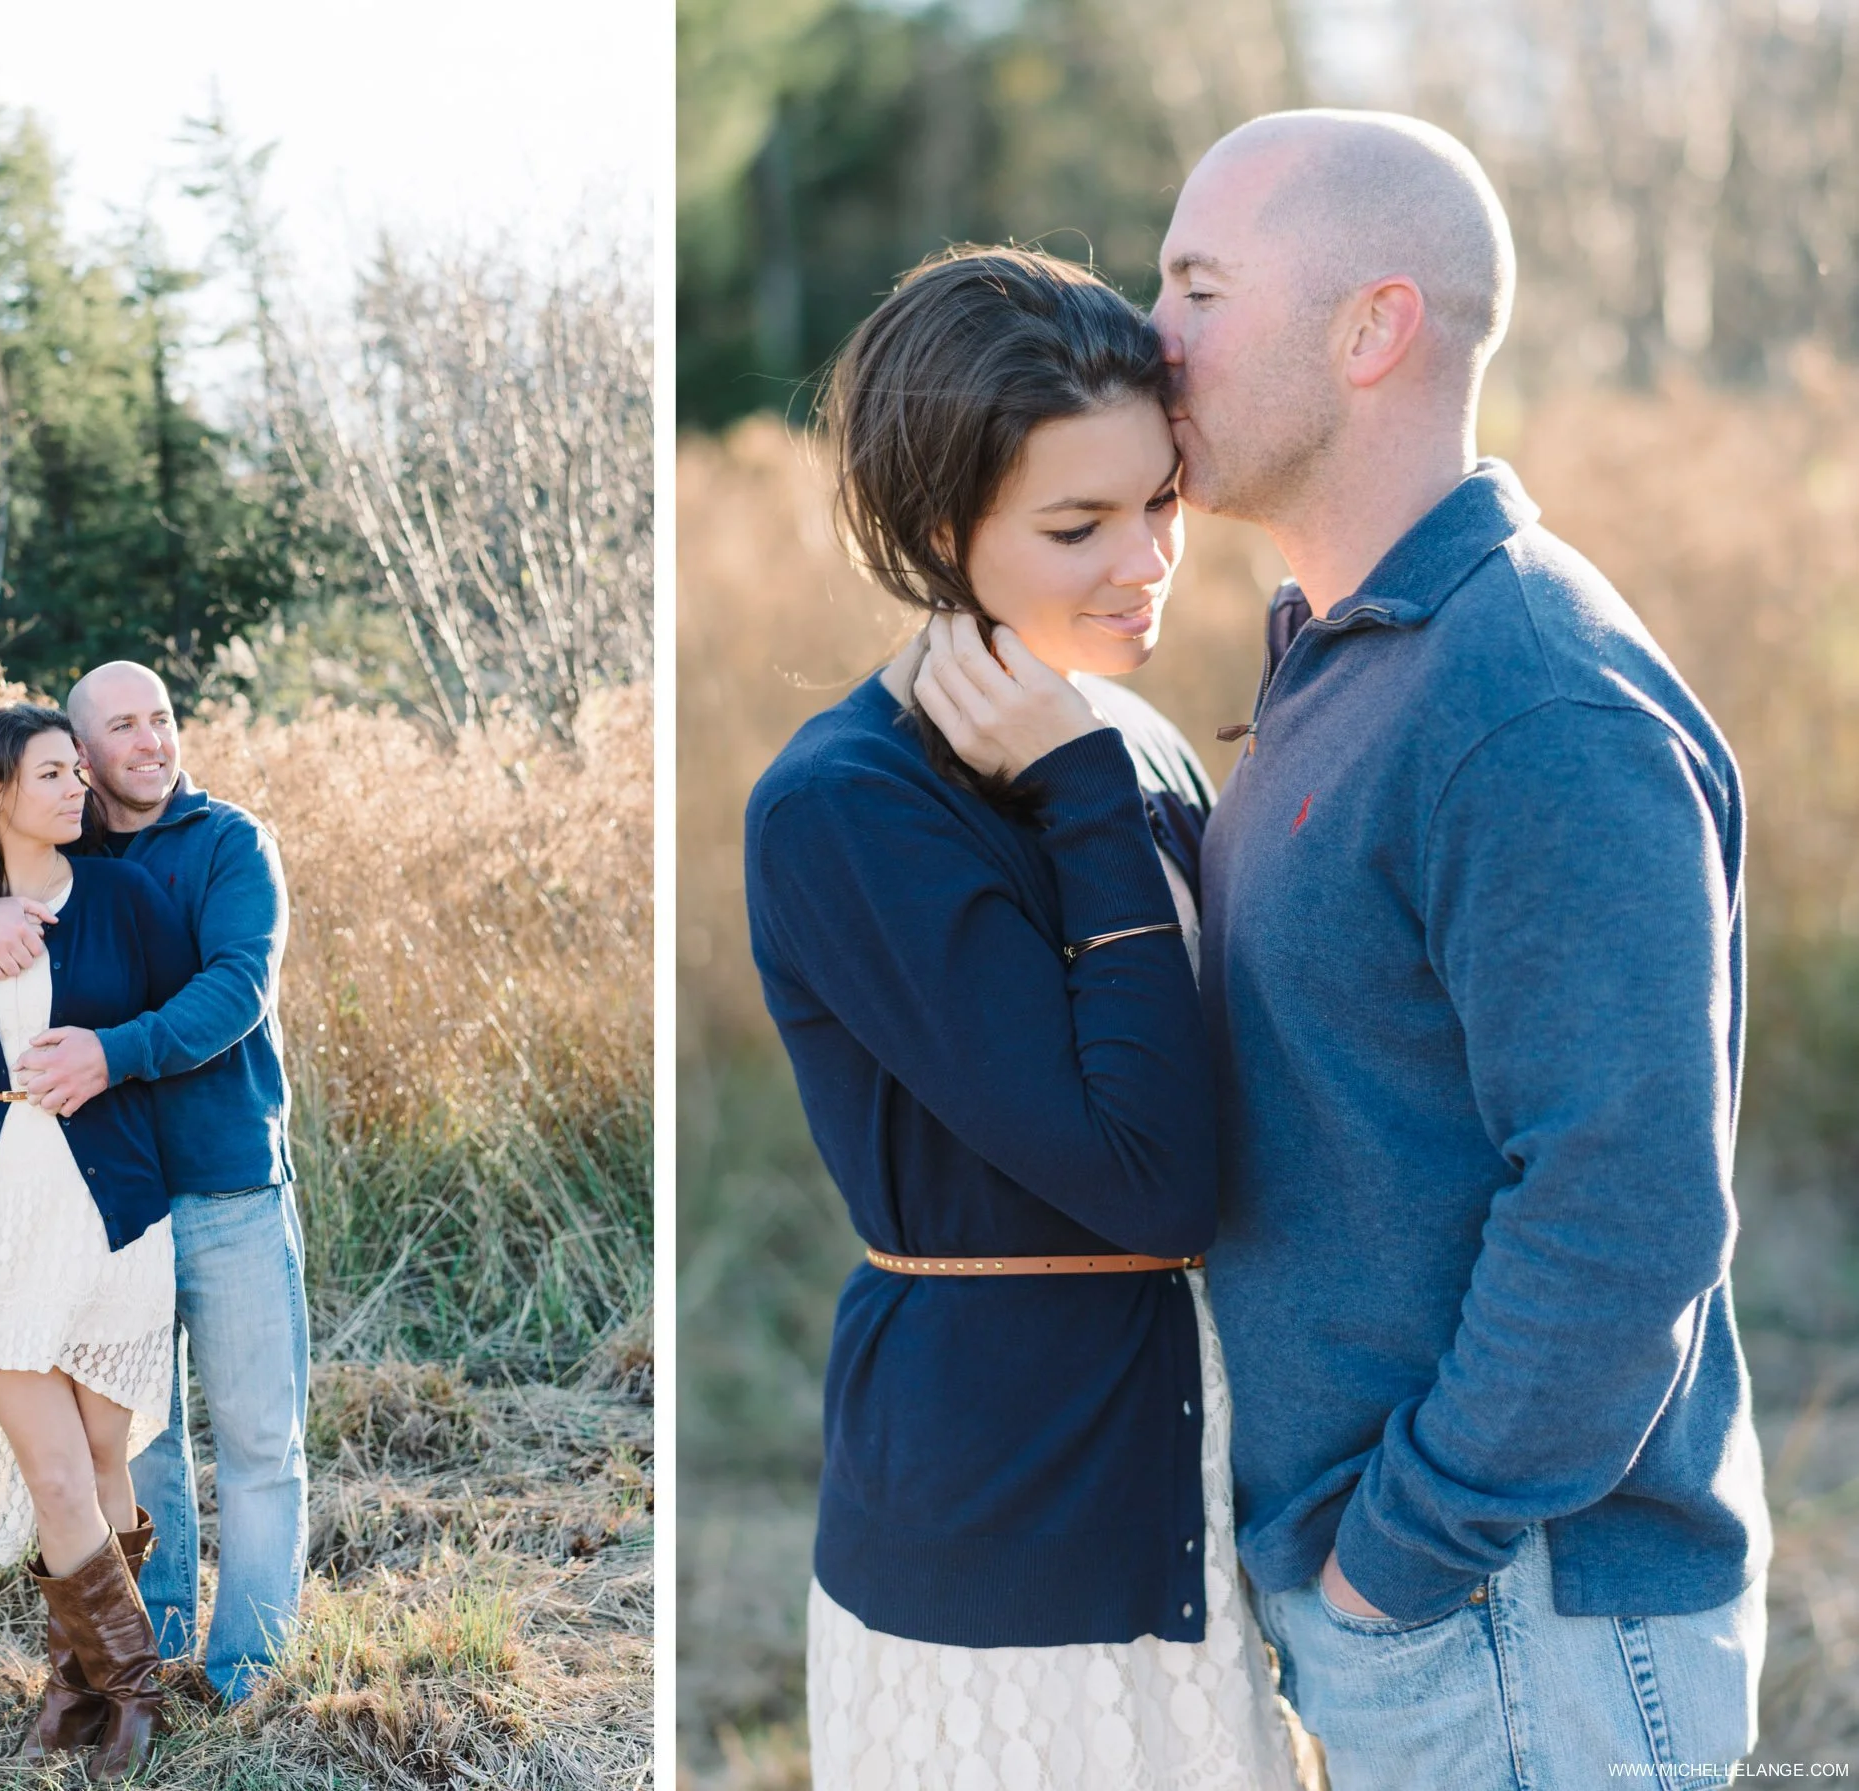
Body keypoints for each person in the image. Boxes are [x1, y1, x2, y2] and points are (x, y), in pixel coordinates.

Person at [1155, 110, 1771, 1791]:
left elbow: (1622, 1205)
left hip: (1515, 1625)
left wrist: (1392, 1565)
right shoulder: (1352, 667)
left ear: (1371, 328)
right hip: (1442, 1621)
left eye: (1199, 285)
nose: (1153, 341)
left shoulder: (1524, 694)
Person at [746, 246, 1302, 1790]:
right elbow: (1147, 1172)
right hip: (1010, 1524)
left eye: (1161, 502)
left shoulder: (1123, 735)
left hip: (1195, 1480)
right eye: (1077, 525)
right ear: (941, 531)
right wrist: (1073, 798)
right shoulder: (842, 808)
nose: (1144, 559)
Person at [0, 661, 307, 1709]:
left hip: (232, 1179)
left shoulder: (230, 844)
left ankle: (246, 1676)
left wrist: (113, 1053)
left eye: (164, 718)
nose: (152, 741)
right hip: (112, 1206)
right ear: (80, 753)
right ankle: (134, 1671)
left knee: (255, 1438)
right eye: (123, 727)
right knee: (142, 1452)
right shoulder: (72, 844)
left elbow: (235, 989)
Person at [0, 702, 193, 1777]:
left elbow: (174, 1028)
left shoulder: (125, 896)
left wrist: (110, 1052)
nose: (79, 790)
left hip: (113, 1215)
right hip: (2, 1222)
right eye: (54, 776)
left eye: (79, 772)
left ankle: (72, 1694)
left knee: (106, 1460)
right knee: (59, 1482)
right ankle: (141, 1696)